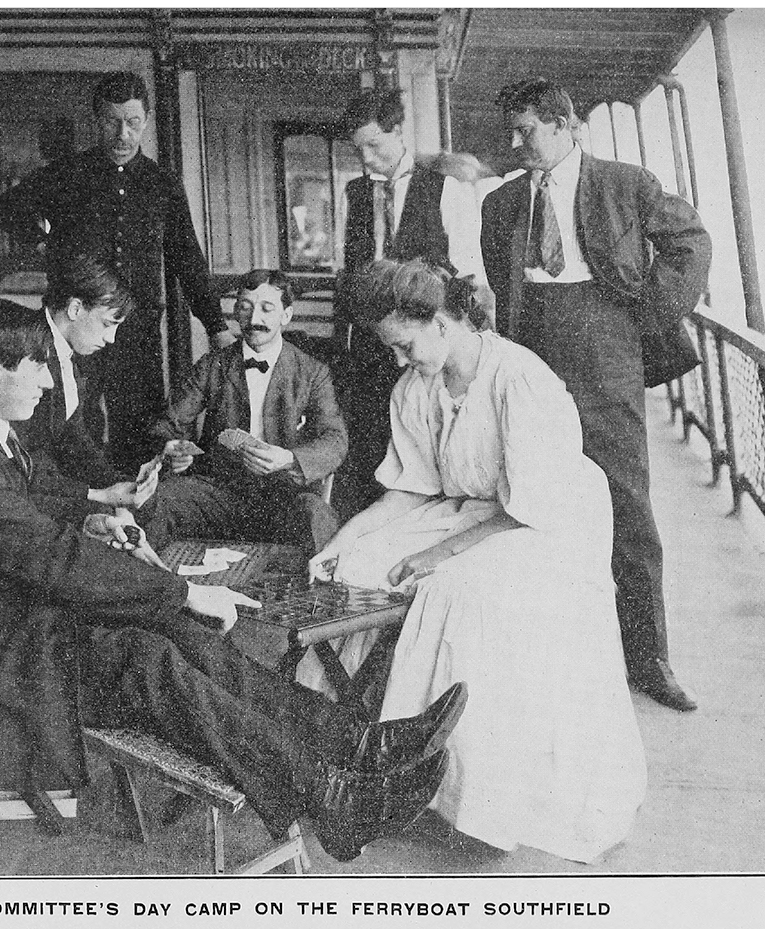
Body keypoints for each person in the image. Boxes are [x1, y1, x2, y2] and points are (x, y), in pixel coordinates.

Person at [0, 297, 466, 863]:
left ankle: (354, 741)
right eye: (39, 370)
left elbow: (25, 515)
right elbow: (50, 558)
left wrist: (92, 514)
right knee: (150, 655)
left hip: (8, 617)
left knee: (176, 629)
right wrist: (184, 589)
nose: (50, 384)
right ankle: (328, 797)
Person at [300, 260, 647, 863]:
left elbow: (527, 504)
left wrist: (433, 552)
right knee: (355, 568)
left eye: (405, 346)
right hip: (467, 508)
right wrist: (343, 540)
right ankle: (336, 751)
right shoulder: (417, 385)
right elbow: (411, 486)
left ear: (440, 321)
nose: (399, 362)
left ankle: (459, 791)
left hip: (545, 520)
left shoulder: (519, 379)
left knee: (454, 592)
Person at [480, 78, 711, 713]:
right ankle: (554, 653)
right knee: (531, 495)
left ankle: (649, 658)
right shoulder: (500, 205)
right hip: (533, 352)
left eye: (526, 130)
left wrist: (647, 317)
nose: (515, 142)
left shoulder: (624, 182)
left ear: (564, 125)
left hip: (606, 343)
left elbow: (690, 243)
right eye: (513, 130)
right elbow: (502, 285)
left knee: (624, 500)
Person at [0, 72, 235, 473]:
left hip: (137, 329)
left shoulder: (161, 183)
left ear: (147, 120)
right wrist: (44, 244)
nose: (123, 134)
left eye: (133, 122)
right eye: (111, 122)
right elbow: (6, 208)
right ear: (96, 121)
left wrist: (215, 323)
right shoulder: (67, 173)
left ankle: (134, 507)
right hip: (75, 327)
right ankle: (82, 503)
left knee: (140, 426)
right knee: (73, 418)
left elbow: (186, 256)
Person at [335, 88, 487, 516]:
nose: (365, 158)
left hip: (424, 344)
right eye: (357, 148)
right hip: (369, 346)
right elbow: (350, 273)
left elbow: (465, 277)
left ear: (398, 132)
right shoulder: (355, 195)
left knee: (424, 447)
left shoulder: (446, 190)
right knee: (370, 448)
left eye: (374, 145)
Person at [146, 269, 347, 552]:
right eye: (245, 308)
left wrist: (289, 459)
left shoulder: (313, 373)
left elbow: (335, 440)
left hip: (284, 496)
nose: (255, 320)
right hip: (218, 493)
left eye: (267, 309)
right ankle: (158, 589)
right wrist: (170, 447)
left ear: (286, 316)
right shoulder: (212, 365)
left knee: (317, 517)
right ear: (236, 312)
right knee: (160, 499)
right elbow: (168, 423)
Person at [10, 251, 159, 520]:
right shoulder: (26, 351)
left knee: (142, 512)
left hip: (46, 485)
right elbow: (25, 461)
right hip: (19, 492)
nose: (111, 339)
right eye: (107, 323)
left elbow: (74, 441)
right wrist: (97, 495)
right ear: (75, 309)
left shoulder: (71, 352)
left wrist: (121, 485)